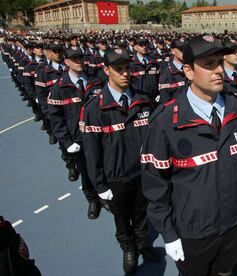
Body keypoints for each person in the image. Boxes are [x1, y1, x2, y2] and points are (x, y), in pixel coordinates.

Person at [141, 35, 237, 276]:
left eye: (220, 62)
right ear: (189, 71)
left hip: (234, 223)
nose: (218, 70)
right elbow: (155, 185)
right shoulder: (165, 122)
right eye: (209, 64)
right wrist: (169, 234)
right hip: (195, 233)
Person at [81, 48, 160, 274]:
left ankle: (143, 244)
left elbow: (154, 136)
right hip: (116, 177)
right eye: (119, 69)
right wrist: (100, 186)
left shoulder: (142, 100)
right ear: (106, 70)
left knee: (142, 213)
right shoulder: (95, 108)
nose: (125, 73)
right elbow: (92, 152)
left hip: (142, 173)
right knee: (122, 218)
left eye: (127, 68)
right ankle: (128, 248)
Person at [48, 46, 103, 219]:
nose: (79, 61)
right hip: (78, 140)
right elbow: (56, 118)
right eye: (74, 58)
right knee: (86, 173)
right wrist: (67, 142)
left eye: (80, 57)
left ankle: (104, 195)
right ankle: (93, 199)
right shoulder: (60, 87)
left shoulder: (97, 82)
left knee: (104, 167)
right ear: (66, 62)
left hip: (99, 135)